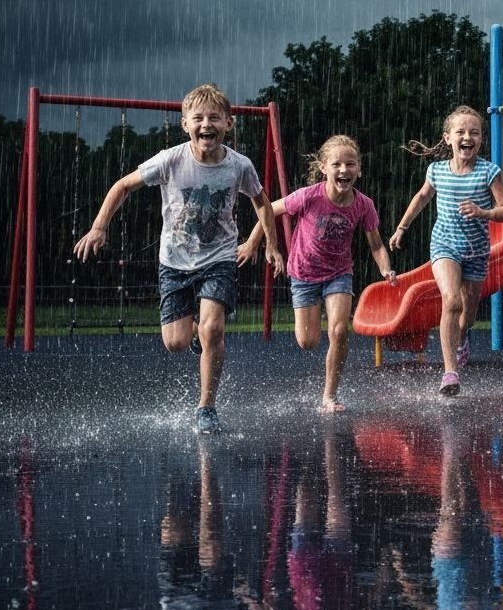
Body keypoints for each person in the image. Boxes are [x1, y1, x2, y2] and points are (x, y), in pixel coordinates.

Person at [73, 84, 284, 434]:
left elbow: (261, 202)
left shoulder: (239, 166)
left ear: (228, 124)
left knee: (213, 328)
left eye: (214, 118)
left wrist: (269, 245)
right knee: (176, 343)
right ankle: (201, 340)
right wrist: (98, 227)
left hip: (219, 258)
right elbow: (122, 186)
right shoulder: (170, 160)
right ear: (185, 124)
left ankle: (206, 407)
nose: (206, 124)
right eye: (198, 118)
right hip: (174, 261)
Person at [240, 135, 397, 413]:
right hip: (303, 274)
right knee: (308, 341)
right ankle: (315, 343)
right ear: (324, 167)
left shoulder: (364, 205)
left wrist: (385, 268)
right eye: (336, 164)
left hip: (339, 273)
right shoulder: (309, 196)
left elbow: (375, 243)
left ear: (359, 169)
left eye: (350, 164)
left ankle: (330, 396)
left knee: (339, 330)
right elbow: (268, 209)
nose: (343, 170)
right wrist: (255, 242)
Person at [389, 105, 503, 397]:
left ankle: (462, 337)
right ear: (448, 138)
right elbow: (421, 198)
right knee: (451, 301)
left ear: (481, 139)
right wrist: (402, 228)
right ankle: (449, 372)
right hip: (444, 245)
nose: (467, 137)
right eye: (461, 132)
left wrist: (483, 212)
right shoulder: (437, 171)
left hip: (477, 250)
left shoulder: (488, 172)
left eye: (474, 132)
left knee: (466, 315)